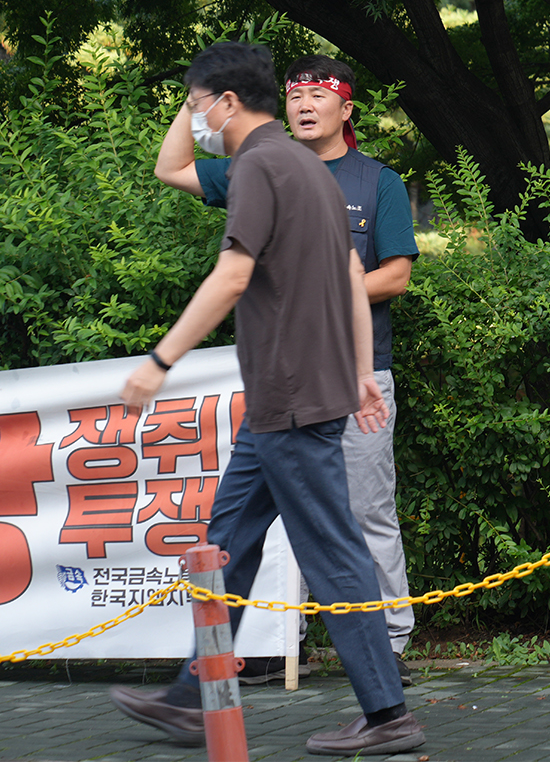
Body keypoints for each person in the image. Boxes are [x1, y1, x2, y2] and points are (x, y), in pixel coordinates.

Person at [108, 42, 425, 755]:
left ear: (226, 103)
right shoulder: (307, 169)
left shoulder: (260, 167)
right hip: (289, 398)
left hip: (291, 397)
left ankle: (388, 716)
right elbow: (349, 276)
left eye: (197, 106)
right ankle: (195, 696)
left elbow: (231, 275)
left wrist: (159, 361)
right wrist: (361, 370)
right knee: (226, 541)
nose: (196, 119)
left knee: (335, 553)